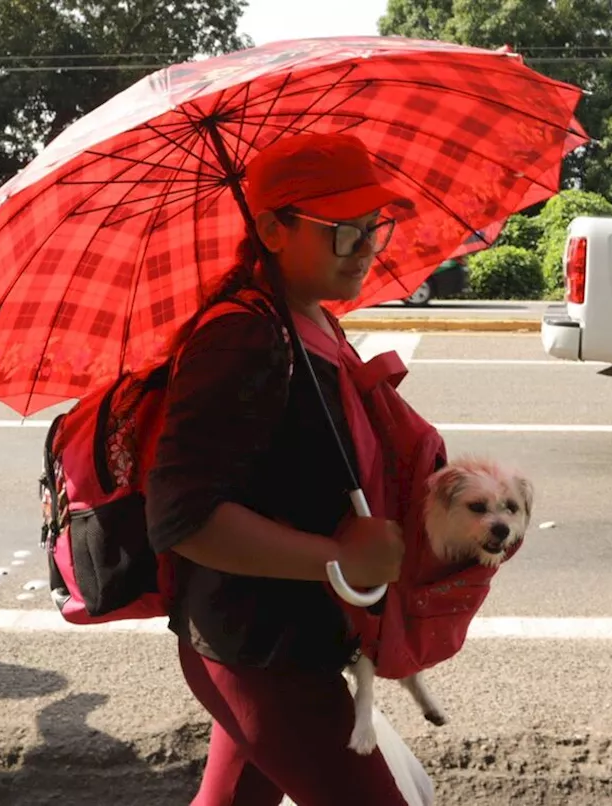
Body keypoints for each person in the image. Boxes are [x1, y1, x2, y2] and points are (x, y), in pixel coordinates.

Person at [144, 131, 414, 806]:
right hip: (257, 647)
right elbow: (182, 515)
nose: (367, 249)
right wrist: (337, 560)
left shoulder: (310, 317)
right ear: (271, 227)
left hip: (295, 633)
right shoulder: (242, 334)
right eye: (342, 232)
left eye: (372, 228)